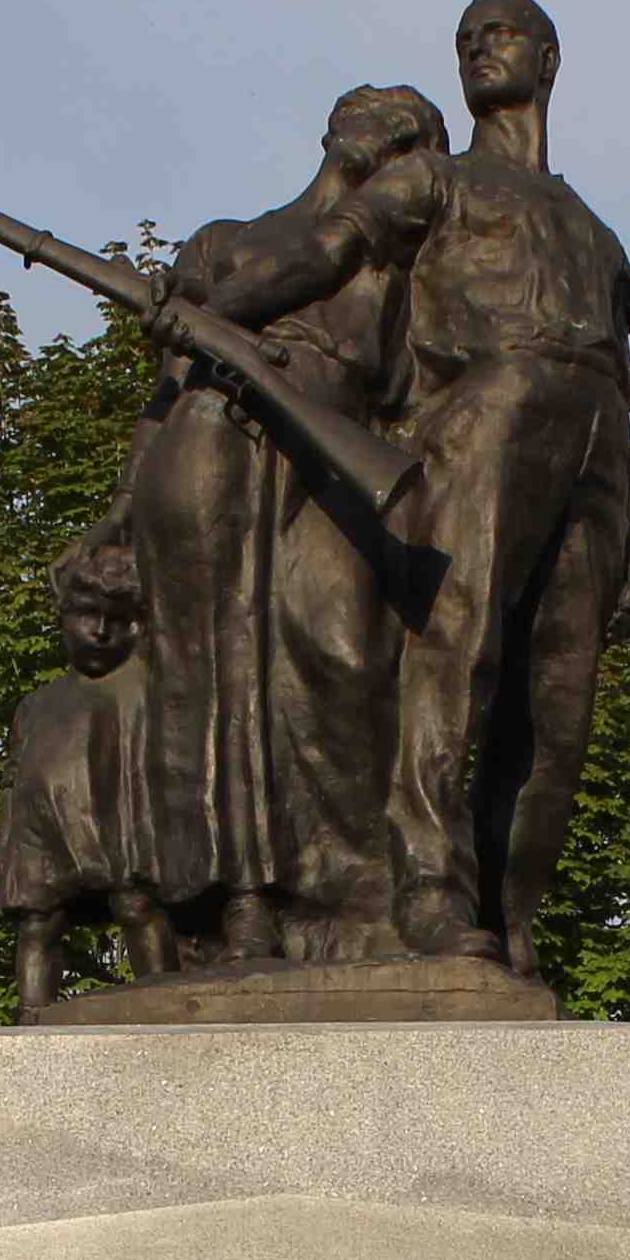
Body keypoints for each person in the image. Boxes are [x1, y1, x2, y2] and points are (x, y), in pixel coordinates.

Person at [160, 0, 630, 970]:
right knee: (456, 648)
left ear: (548, 58)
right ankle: (426, 889)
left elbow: (625, 372)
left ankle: (511, 923)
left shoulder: (596, 235)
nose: (476, 47)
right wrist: (220, 305)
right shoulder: (433, 180)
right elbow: (327, 248)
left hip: (598, 435)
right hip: (488, 406)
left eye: (498, 32)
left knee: (560, 706)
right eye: (465, 37)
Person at [141, 83, 446, 964]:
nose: (390, 133)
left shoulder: (396, 265)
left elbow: (420, 388)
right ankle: (232, 904)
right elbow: (164, 398)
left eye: (409, 132)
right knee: (215, 667)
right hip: (211, 443)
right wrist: (122, 516)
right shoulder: (222, 243)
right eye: (382, 118)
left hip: (335, 456)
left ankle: (368, 894)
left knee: (347, 656)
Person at [0, 516, 166, 1015]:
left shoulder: (140, 690)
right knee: (39, 921)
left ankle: (165, 1007)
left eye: (117, 617)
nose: (101, 630)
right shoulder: (37, 705)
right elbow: (14, 781)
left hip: (117, 822)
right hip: (43, 831)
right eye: (87, 614)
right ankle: (32, 1016)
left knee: (136, 905)